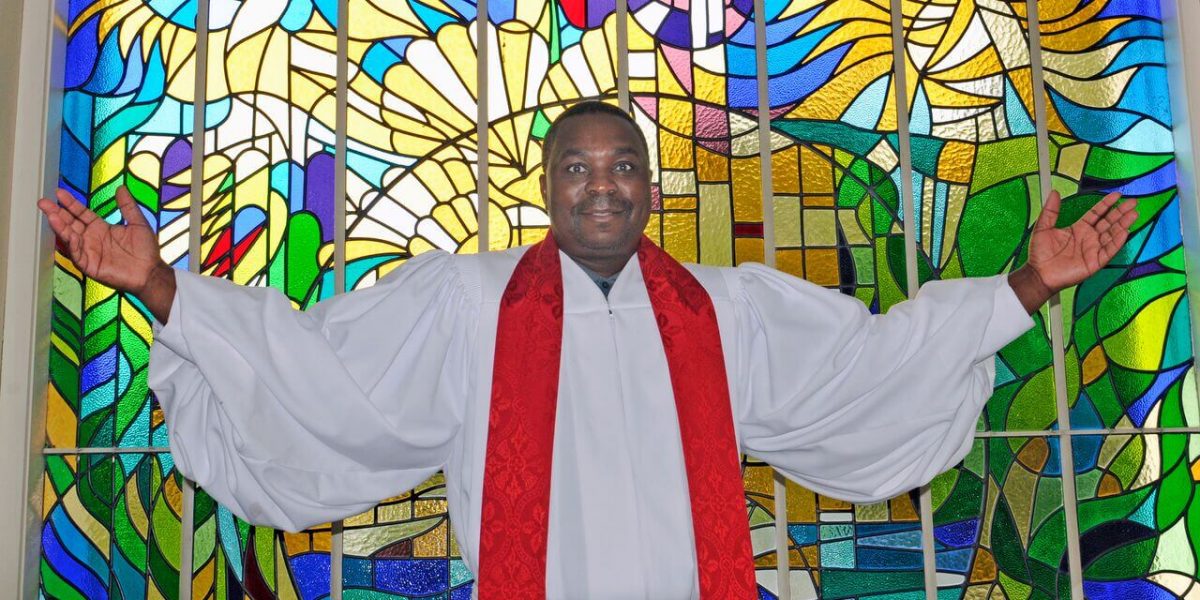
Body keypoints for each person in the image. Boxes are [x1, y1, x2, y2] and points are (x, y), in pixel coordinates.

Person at [38, 101, 1137, 599]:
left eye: (621, 166)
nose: (600, 184)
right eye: (576, 167)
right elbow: (324, 381)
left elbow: (869, 370)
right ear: (548, 187)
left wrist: (1028, 282)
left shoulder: (725, 307)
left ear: (649, 189)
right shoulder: (467, 302)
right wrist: (162, 285)